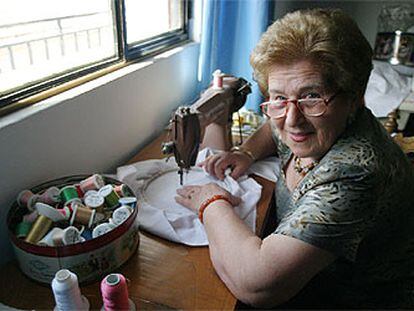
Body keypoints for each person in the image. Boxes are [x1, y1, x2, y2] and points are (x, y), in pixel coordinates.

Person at [175, 8, 414, 309]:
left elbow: (257, 285)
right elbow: (272, 128)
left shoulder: (356, 172)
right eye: (278, 97)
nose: (291, 120)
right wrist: (246, 152)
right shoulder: (306, 122)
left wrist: (211, 202)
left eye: (312, 95)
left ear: (353, 97)